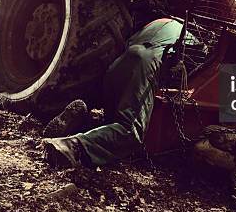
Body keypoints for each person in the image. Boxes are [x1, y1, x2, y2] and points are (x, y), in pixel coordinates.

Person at [42, 18, 184, 168]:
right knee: (130, 130)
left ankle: (81, 122)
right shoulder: (194, 39)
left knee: (111, 121)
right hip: (144, 64)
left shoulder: (156, 23)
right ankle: (73, 146)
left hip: (119, 64)